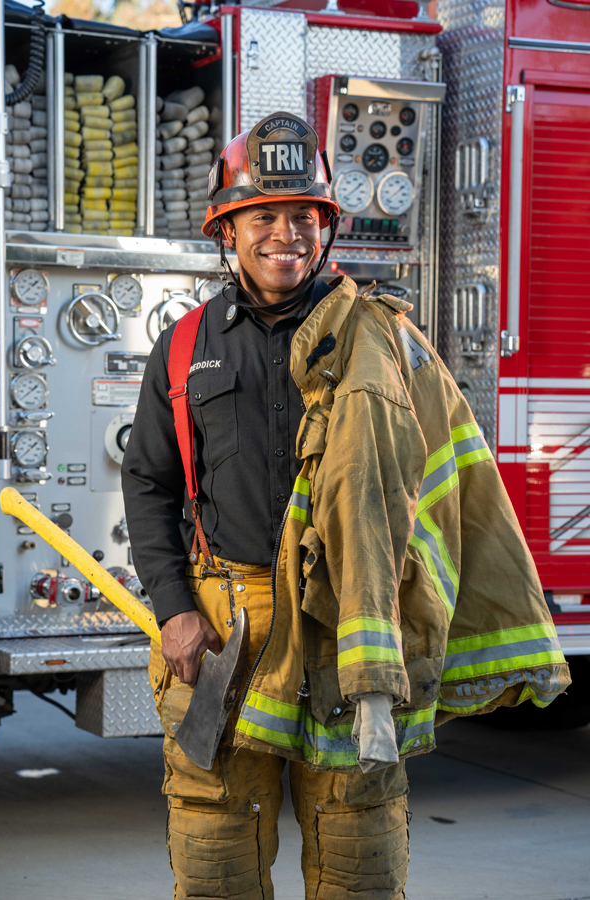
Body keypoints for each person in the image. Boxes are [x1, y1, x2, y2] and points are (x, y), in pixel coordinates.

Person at [122, 112, 570, 900]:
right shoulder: (187, 345)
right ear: (228, 230)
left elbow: (448, 487)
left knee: (357, 861)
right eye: (262, 215)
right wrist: (174, 609)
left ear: (326, 230)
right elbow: (150, 482)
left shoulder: (384, 340)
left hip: (347, 626)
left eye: (304, 216)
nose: (284, 234)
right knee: (215, 854)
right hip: (229, 623)